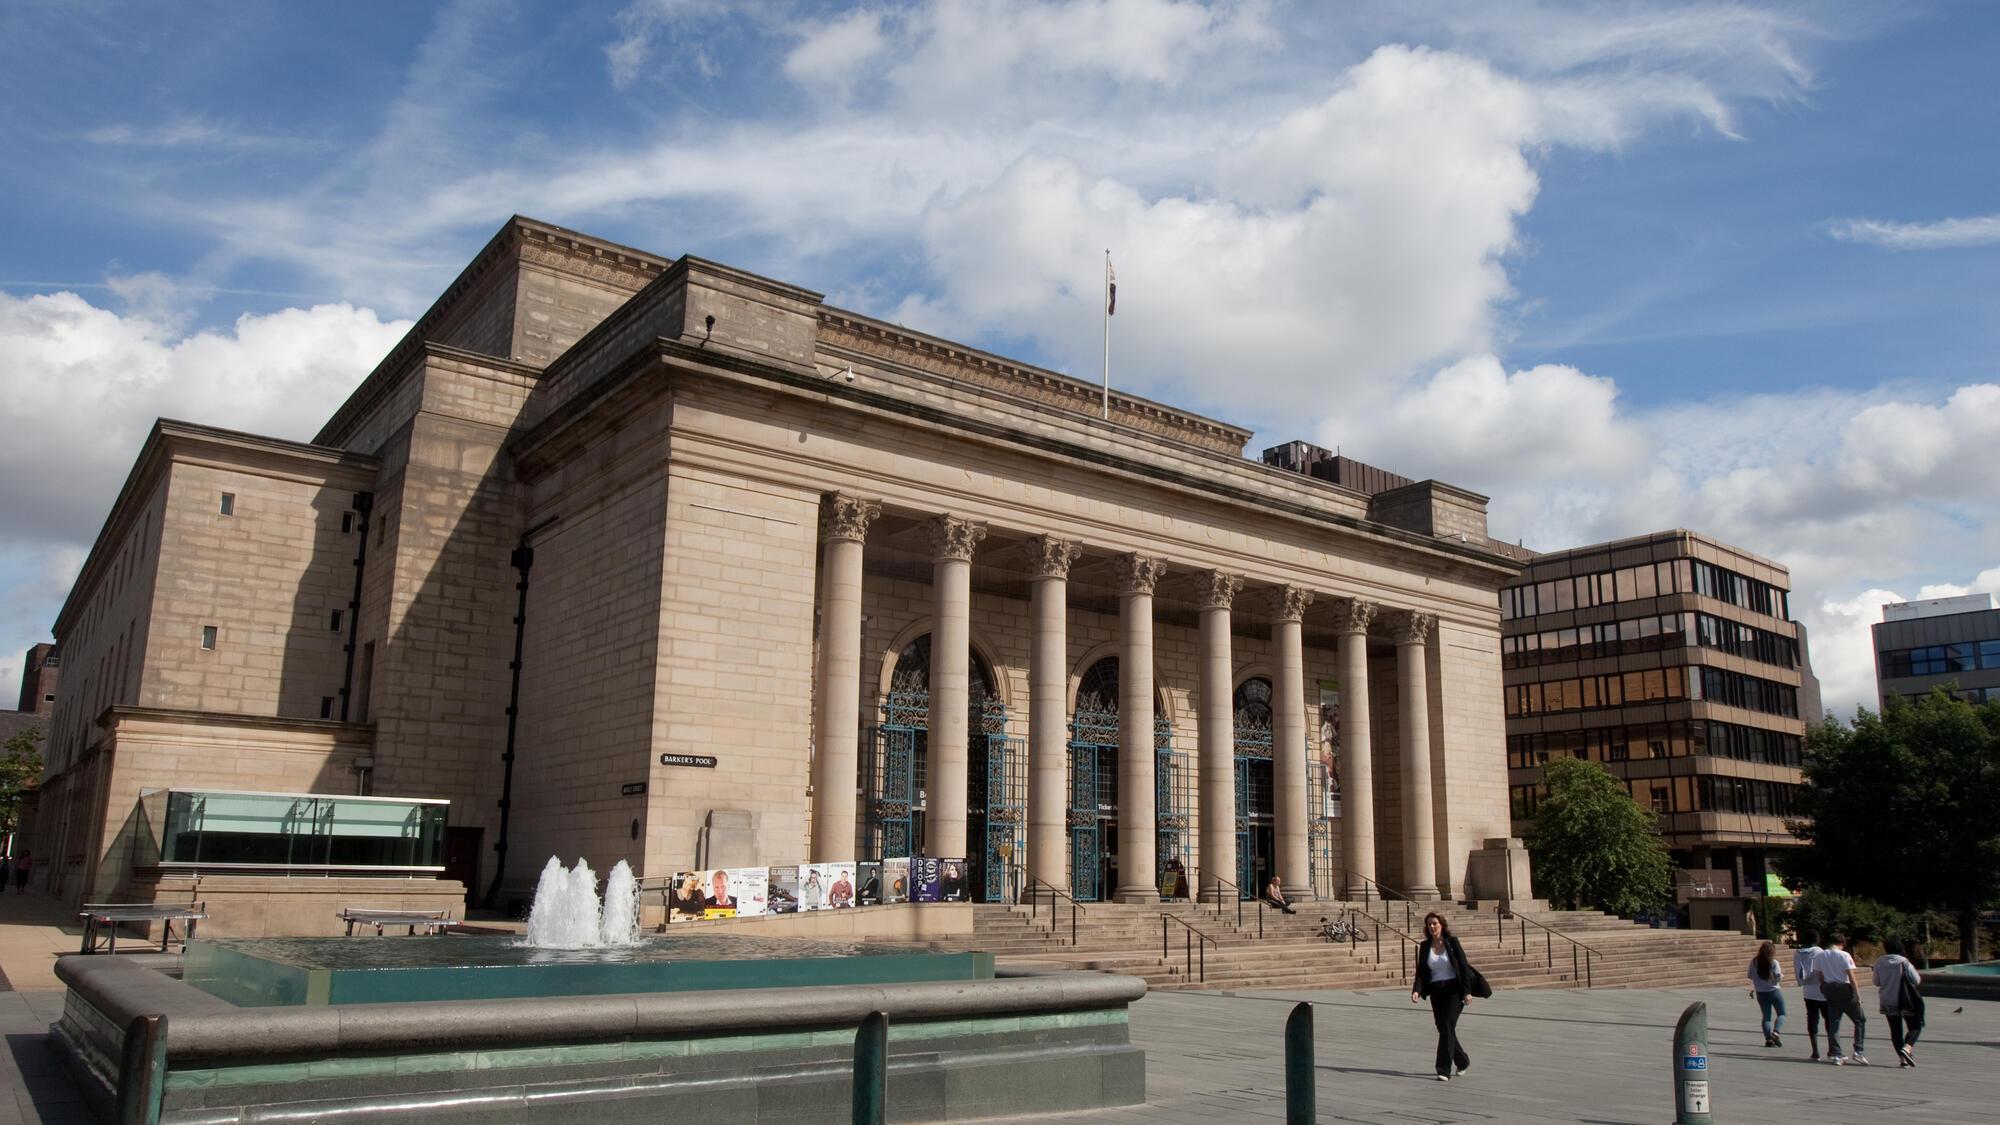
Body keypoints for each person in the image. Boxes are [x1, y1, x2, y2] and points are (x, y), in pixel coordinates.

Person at [1410, 911, 1477, 1081]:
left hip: (1454, 991)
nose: (1432, 927)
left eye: (1435, 923)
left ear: (1442, 925)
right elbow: (1422, 971)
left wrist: (1467, 991)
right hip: (1436, 991)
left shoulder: (1452, 942)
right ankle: (1462, 1060)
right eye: (1429, 924)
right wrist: (1417, 990)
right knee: (1443, 1029)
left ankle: (1443, 1069)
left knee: (1447, 1026)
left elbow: (1463, 967)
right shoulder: (1425, 946)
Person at [1809, 933, 1868, 1065]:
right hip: (1844, 989)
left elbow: (1820, 976)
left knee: (1834, 1023)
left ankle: (1837, 1054)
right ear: (1841, 943)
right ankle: (1858, 1051)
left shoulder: (1820, 955)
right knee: (1859, 1020)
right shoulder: (1844, 955)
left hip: (1830, 990)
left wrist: (1825, 987)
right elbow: (1851, 977)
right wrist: (1858, 995)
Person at [1872, 938, 1924, 1067]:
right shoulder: (1903, 962)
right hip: (1905, 1000)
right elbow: (1917, 980)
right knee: (1915, 1026)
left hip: (1887, 999)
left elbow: (1876, 982)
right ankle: (1907, 1048)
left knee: (1895, 1031)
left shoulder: (1879, 962)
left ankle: (1903, 1060)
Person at [1795, 933, 1828, 1060]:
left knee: (1812, 1020)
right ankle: (1832, 1048)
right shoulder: (1819, 952)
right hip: (1822, 991)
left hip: (1808, 991)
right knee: (1829, 1020)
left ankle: (1815, 1051)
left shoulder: (1798, 953)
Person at [1747, 941, 1786, 1047]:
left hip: (1761, 993)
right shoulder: (1774, 962)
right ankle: (1776, 1032)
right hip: (1774, 991)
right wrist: (1781, 976)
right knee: (1782, 1013)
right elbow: (1777, 978)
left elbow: (1750, 976)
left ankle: (1768, 1039)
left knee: (1766, 1017)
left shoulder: (1754, 962)